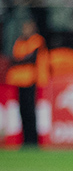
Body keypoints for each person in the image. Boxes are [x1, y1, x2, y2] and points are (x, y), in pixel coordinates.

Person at [6, 17, 48, 148]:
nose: (25, 30)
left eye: (28, 27)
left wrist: (18, 61)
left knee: (30, 111)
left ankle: (32, 140)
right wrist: (18, 60)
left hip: (31, 80)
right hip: (19, 81)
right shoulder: (20, 41)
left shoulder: (37, 40)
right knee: (22, 111)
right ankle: (25, 140)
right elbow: (13, 58)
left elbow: (30, 58)